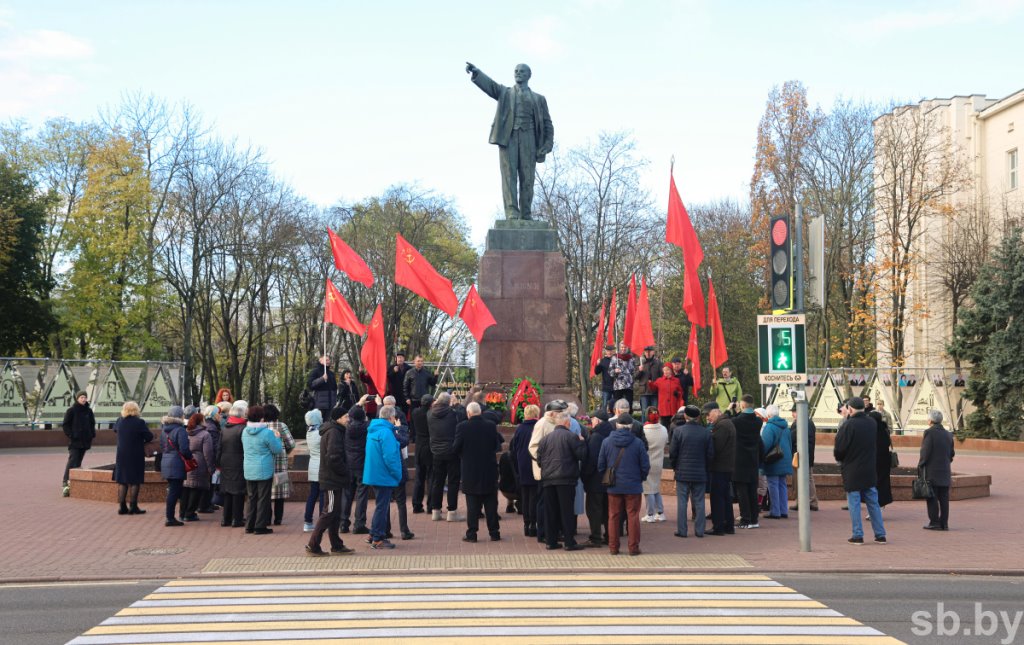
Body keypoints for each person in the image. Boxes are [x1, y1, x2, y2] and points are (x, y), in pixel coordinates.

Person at [465, 61, 554, 220]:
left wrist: (547, 145)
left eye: (522, 71)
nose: (518, 73)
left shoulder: (539, 99)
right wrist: (476, 73)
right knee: (509, 176)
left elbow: (547, 124)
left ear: (529, 75)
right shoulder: (505, 93)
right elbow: (490, 86)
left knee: (528, 178)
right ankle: (512, 212)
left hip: (530, 139)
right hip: (509, 138)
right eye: (516, 71)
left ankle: (526, 214)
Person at [833, 397, 886, 545]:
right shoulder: (871, 423)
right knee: (873, 502)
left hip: (852, 469)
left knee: (854, 503)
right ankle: (880, 534)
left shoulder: (849, 425)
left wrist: (840, 458)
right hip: (869, 468)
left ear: (850, 409)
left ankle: (858, 535)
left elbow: (839, 449)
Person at [600, 412, 651, 556]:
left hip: (614, 485)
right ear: (631, 426)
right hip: (633, 486)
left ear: (617, 425)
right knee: (633, 516)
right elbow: (645, 466)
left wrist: (607, 478)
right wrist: (639, 478)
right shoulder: (638, 443)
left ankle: (613, 547)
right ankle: (633, 548)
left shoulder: (606, 442)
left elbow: (601, 465)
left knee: (613, 516)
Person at [536, 408, 586, 551]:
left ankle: (550, 542)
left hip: (548, 480)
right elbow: (581, 455)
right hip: (566, 479)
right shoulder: (572, 437)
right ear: (567, 423)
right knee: (567, 511)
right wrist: (582, 442)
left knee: (550, 511)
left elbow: (539, 460)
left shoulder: (545, 439)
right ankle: (569, 542)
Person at [306, 406, 354, 556]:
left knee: (335, 511)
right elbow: (333, 457)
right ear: (338, 418)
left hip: (333, 478)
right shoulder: (334, 432)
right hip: (332, 479)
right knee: (330, 511)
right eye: (346, 416)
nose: (348, 419)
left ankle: (336, 544)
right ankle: (313, 545)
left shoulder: (335, 430)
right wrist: (345, 472)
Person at [454, 402, 504, 542]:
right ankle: (494, 533)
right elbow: (497, 446)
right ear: (480, 412)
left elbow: (456, 447)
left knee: (472, 505)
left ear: (468, 413)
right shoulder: (490, 426)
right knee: (491, 504)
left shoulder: (462, 427)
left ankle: (472, 534)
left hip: (470, 471)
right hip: (489, 469)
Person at [668, 405, 713, 538]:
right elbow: (710, 454)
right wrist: (705, 468)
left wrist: (675, 467)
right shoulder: (705, 432)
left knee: (682, 502)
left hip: (682, 472)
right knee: (699, 501)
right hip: (700, 472)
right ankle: (700, 530)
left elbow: (673, 453)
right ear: (698, 417)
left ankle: (682, 530)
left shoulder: (679, 431)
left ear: (685, 416)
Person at [363, 404, 404, 549]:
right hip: (384, 475)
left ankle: (373, 533)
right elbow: (390, 457)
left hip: (374, 473)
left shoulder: (374, 430)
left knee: (380, 505)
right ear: (391, 417)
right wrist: (398, 474)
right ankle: (378, 538)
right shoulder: (386, 433)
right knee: (382, 507)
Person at [241, 404, 284, 535]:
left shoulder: (244, 431)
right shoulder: (267, 433)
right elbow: (277, 449)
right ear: (261, 418)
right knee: (263, 498)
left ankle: (249, 525)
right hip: (264, 469)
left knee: (251, 497)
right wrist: (277, 437)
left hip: (249, 468)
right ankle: (260, 526)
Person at [427, 392, 464, 522]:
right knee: (453, 481)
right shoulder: (453, 413)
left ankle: (435, 511)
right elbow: (464, 415)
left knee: (438, 481)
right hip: (452, 451)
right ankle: (452, 512)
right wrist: (457, 403)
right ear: (448, 402)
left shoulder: (430, 413)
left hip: (436, 451)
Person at [112, 401, 153, 515]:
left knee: (122, 481)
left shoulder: (119, 421)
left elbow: (115, 430)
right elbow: (149, 436)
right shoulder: (139, 422)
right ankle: (133, 506)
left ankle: (122, 507)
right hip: (135, 454)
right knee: (135, 480)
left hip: (121, 455)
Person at [580, 409, 613, 547]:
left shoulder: (596, 436)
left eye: (592, 419)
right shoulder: (612, 433)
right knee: (607, 509)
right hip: (609, 477)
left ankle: (595, 537)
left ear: (598, 421)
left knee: (594, 509)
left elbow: (592, 460)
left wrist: (584, 475)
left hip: (595, 479)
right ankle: (609, 535)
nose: (591, 422)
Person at [919, 409, 955, 531]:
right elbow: (951, 454)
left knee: (932, 497)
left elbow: (925, 452)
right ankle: (944, 523)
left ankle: (934, 522)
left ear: (931, 420)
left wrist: (921, 464)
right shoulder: (948, 434)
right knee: (944, 498)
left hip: (932, 471)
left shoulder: (929, 433)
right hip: (945, 470)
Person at [509, 403, 541, 537]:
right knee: (534, 496)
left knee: (525, 496)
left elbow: (513, 448)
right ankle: (534, 524)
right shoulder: (538, 427)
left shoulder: (520, 429)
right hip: (535, 464)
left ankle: (526, 524)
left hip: (522, 465)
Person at [732, 395, 763, 529]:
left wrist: (730, 409)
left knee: (742, 491)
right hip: (752, 460)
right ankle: (754, 519)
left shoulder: (736, 421)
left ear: (742, 406)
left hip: (739, 461)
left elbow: (731, 420)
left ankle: (745, 519)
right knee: (752, 490)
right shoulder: (758, 422)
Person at [706, 403, 736, 535]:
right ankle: (728, 525)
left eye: (710, 416)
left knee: (717, 497)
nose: (708, 419)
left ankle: (719, 526)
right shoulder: (727, 423)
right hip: (726, 466)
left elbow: (716, 447)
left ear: (716, 414)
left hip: (720, 467)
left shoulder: (722, 426)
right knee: (725, 497)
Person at [158, 405, 191, 527]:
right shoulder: (180, 430)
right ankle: (170, 518)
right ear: (180, 416)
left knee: (174, 489)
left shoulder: (164, 429)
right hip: (176, 463)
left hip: (166, 461)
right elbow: (184, 449)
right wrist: (189, 458)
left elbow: (162, 446)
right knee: (174, 492)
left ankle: (179, 514)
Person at [341, 402, 370, 534]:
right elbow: (379, 419)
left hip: (348, 465)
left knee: (347, 495)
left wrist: (359, 403)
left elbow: (352, 413)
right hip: (362, 465)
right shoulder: (366, 427)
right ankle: (359, 523)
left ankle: (343, 523)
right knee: (361, 495)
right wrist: (379, 405)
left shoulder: (346, 428)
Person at [264, 404, 296, 526]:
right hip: (280, 464)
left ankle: (267, 518)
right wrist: (285, 452)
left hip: (265, 463)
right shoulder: (281, 426)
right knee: (279, 493)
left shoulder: (262, 427)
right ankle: (278, 519)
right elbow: (292, 444)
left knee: (265, 492)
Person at [218, 401, 248, 528]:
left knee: (227, 491)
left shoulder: (224, 429)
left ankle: (226, 519)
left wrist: (218, 463)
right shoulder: (243, 429)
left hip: (225, 463)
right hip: (239, 463)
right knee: (238, 491)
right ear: (241, 415)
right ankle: (237, 519)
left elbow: (219, 448)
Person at [760, 404, 793, 520]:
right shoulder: (785, 427)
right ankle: (784, 510)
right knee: (782, 484)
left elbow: (765, 445)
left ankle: (775, 511)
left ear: (768, 415)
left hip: (774, 460)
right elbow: (790, 443)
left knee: (773, 484)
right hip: (785, 458)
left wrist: (760, 457)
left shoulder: (769, 427)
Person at [61, 391, 96, 496]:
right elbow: (65, 425)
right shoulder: (71, 410)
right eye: (81, 397)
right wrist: (72, 435)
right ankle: (66, 481)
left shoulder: (89, 411)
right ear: (77, 398)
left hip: (85, 440)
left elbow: (92, 423)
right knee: (73, 460)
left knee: (79, 461)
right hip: (75, 441)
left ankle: (74, 481)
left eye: (85, 397)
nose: (83, 399)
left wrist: (92, 434)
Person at [181, 412, 215, 522]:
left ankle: (183, 512)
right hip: (199, 463)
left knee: (186, 487)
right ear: (201, 422)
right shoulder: (205, 434)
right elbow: (208, 453)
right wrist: (211, 468)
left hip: (187, 462)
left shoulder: (186, 432)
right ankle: (190, 513)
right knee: (196, 488)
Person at [641, 407, 669, 523]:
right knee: (656, 487)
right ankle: (660, 512)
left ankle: (650, 514)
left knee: (648, 489)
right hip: (659, 461)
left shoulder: (644, 429)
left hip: (647, 461)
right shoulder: (663, 429)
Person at [789, 408, 819, 512]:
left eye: (794, 412)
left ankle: (805, 502)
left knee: (800, 479)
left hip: (800, 456)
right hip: (806, 455)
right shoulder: (808, 422)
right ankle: (811, 501)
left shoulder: (802, 422)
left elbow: (792, 437)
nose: (792, 414)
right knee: (808, 478)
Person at [410, 394, 433, 514]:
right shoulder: (431, 414)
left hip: (419, 447)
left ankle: (416, 505)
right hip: (430, 447)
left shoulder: (415, 412)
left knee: (419, 478)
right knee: (431, 478)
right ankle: (431, 506)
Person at [197, 405, 222, 513]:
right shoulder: (211, 427)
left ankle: (208, 504)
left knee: (210, 482)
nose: (220, 415)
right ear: (213, 414)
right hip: (209, 458)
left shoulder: (209, 424)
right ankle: (204, 505)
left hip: (205, 458)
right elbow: (214, 445)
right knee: (208, 483)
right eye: (218, 413)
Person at [303, 408, 323, 532]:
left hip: (312, 466)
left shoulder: (309, 432)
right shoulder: (320, 433)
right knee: (322, 495)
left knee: (312, 495)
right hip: (321, 466)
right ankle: (322, 521)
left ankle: (308, 521)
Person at [648, 364, 684, 429]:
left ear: (671, 371)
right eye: (664, 370)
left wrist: (677, 393)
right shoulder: (659, 380)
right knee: (664, 427)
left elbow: (681, 392)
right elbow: (653, 388)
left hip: (673, 407)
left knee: (673, 426)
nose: (665, 371)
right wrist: (650, 383)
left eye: (667, 370)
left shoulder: (676, 380)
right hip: (663, 408)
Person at [609, 342, 638, 408]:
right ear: (619, 348)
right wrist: (615, 371)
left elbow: (634, 371)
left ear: (627, 348)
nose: (623, 349)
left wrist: (633, 379)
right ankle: (618, 418)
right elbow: (610, 372)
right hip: (618, 385)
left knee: (629, 405)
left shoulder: (631, 358)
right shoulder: (615, 358)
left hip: (629, 385)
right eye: (622, 347)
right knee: (617, 405)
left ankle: (628, 417)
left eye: (625, 347)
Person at [636, 346, 663, 414]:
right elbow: (635, 377)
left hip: (654, 392)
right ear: (644, 352)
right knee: (645, 412)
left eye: (650, 351)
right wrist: (640, 371)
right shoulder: (640, 362)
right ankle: (644, 425)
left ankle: (654, 424)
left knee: (654, 412)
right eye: (646, 351)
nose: (648, 353)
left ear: (653, 352)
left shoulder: (658, 363)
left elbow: (662, 377)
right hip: (644, 392)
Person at [594, 345, 617, 412]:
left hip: (616, 387)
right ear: (605, 352)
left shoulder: (617, 360)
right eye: (608, 351)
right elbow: (596, 372)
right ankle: (604, 420)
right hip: (606, 388)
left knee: (616, 405)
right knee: (605, 405)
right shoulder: (602, 361)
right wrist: (598, 365)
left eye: (611, 351)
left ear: (613, 351)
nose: (609, 352)